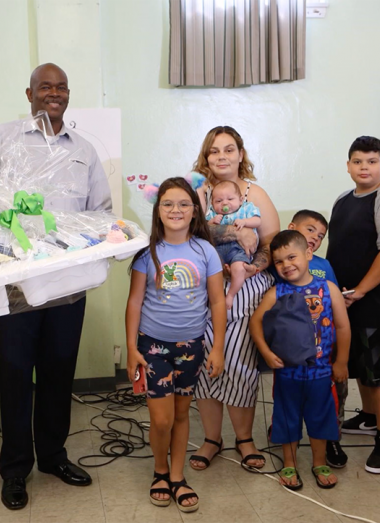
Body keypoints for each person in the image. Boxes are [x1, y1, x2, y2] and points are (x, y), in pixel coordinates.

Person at [0, 63, 112, 510]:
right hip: (13, 282)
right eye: (45, 87)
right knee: (16, 375)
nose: (53, 94)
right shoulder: (1, 140)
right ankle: (15, 468)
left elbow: (101, 213)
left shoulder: (85, 151)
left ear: (68, 95)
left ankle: (53, 455)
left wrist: (108, 240)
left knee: (58, 370)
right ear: (30, 93)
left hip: (68, 284)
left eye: (61, 88)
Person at [126, 177, 226, 512]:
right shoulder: (147, 253)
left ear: (195, 210)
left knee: (182, 414)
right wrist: (131, 348)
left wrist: (217, 348)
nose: (176, 210)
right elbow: (135, 303)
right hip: (153, 347)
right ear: (158, 210)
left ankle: (178, 476)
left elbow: (217, 303)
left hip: (191, 348)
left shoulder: (205, 251)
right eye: (168, 203)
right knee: (162, 420)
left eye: (184, 204)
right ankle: (159, 470)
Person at [187, 126, 280, 472]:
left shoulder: (256, 194)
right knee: (204, 363)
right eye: (214, 151)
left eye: (229, 149)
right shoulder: (197, 192)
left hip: (246, 287)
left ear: (241, 154)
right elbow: (188, 233)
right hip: (203, 286)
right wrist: (229, 234)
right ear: (206, 156)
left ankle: (244, 438)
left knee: (239, 360)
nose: (222, 156)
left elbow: (272, 242)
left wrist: (253, 266)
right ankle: (212, 438)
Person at [326, 136, 380, 474]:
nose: (365, 167)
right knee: (359, 363)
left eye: (372, 161)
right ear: (348, 166)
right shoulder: (343, 200)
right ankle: (370, 417)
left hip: (375, 302)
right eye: (358, 161)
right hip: (345, 301)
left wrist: (360, 290)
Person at [250, 230, 350, 490]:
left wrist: (341, 362)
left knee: (320, 417)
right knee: (287, 417)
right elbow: (255, 322)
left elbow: (342, 327)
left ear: (308, 254)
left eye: (292, 257)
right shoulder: (276, 292)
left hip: (321, 373)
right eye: (279, 261)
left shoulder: (328, 289)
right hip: (287, 374)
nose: (286, 265)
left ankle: (319, 462)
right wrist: (266, 353)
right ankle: (289, 463)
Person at [284, 209, 347, 468]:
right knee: (291, 395)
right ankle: (288, 433)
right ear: (291, 227)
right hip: (292, 348)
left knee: (332, 394)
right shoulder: (282, 263)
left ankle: (331, 437)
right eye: (310, 229)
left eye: (321, 236)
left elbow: (335, 303)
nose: (315, 237)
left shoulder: (323, 266)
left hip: (324, 344)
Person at [205, 180, 262, 310]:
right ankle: (214, 296)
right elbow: (204, 229)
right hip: (218, 249)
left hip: (239, 249)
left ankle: (231, 294)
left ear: (241, 199)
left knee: (239, 268)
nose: (224, 203)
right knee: (211, 270)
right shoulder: (213, 212)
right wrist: (212, 221)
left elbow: (257, 221)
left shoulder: (247, 208)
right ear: (213, 203)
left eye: (230, 199)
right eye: (218, 201)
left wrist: (245, 222)